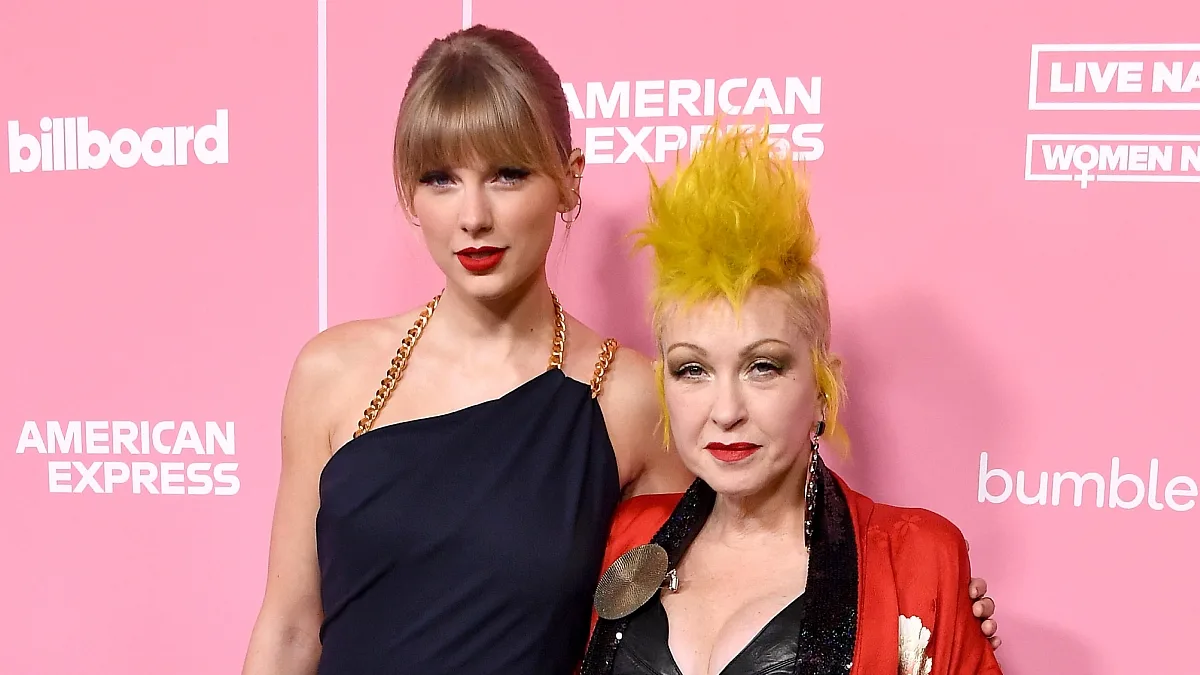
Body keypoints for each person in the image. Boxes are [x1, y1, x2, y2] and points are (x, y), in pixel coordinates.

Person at [240, 24, 1000, 675]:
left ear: (569, 181)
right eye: (440, 179)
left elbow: (727, 565)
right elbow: (288, 628)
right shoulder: (331, 374)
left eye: (508, 173)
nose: (473, 215)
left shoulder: (633, 396)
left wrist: (922, 599)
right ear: (408, 192)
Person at [580, 123, 1002, 675]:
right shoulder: (624, 538)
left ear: (822, 388)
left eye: (762, 367)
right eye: (692, 369)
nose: (725, 410)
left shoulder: (914, 560)